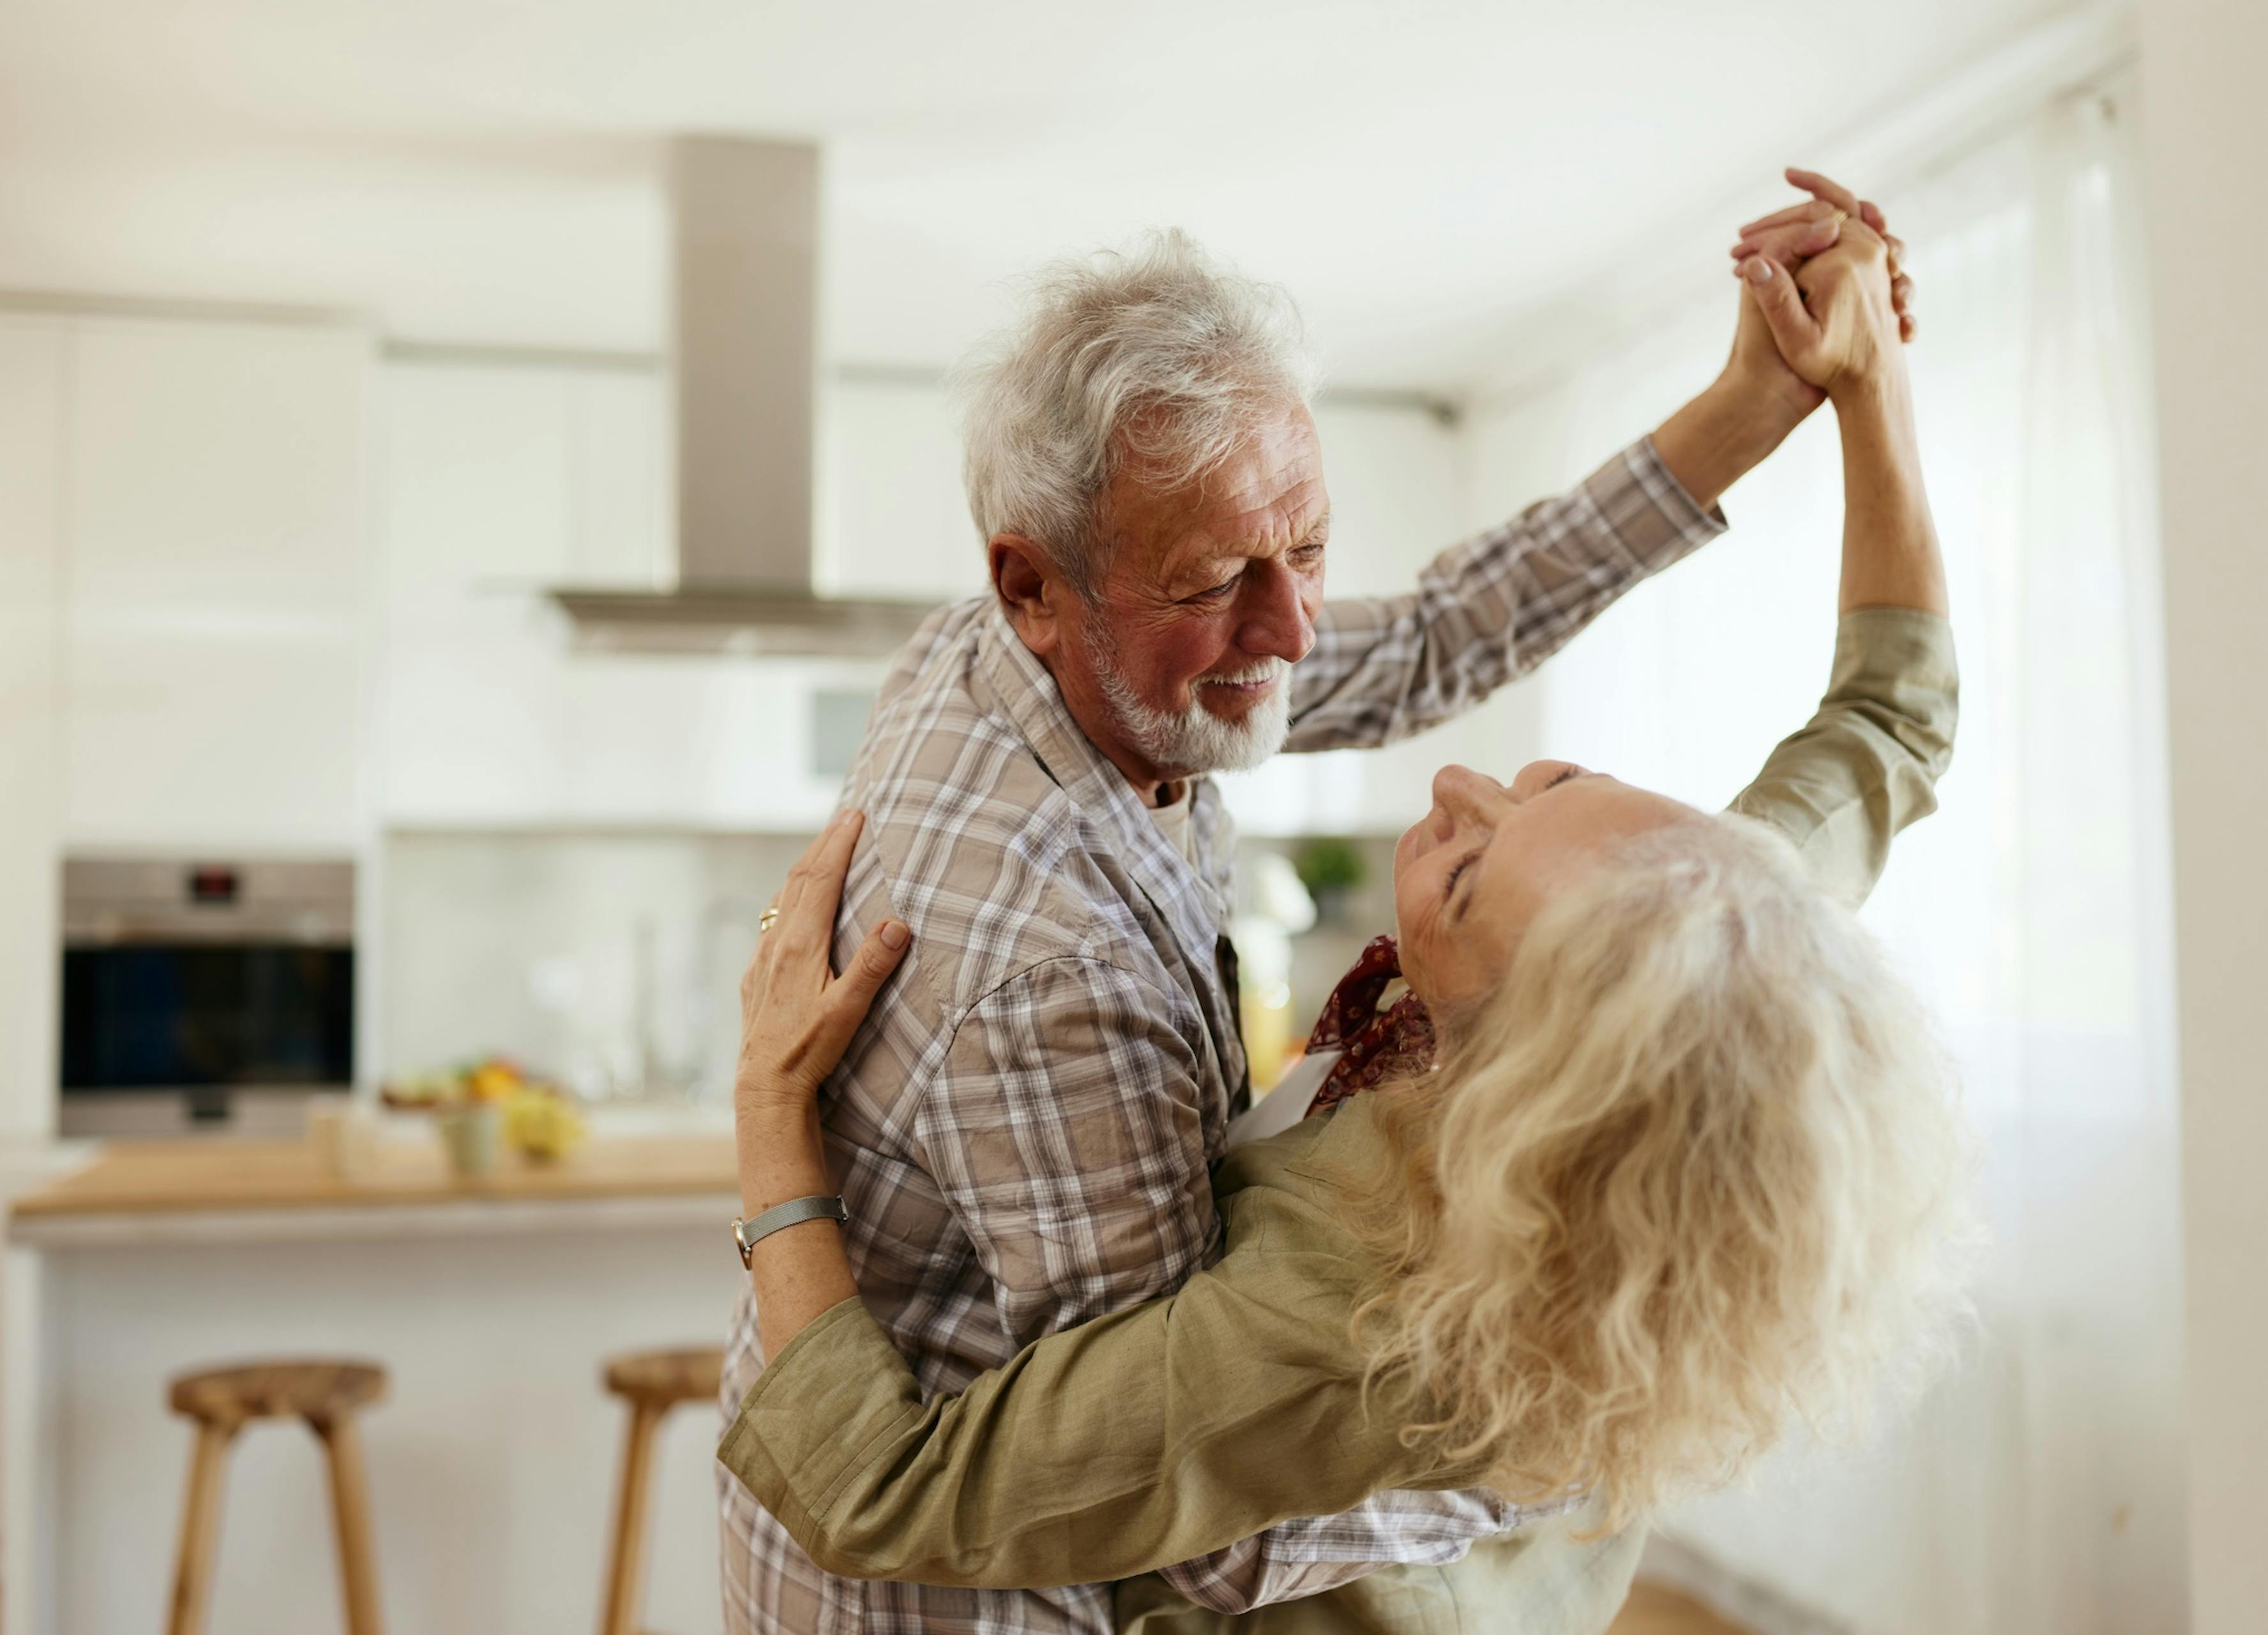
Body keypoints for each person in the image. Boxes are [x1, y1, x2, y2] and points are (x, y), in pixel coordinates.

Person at [716, 211, 1970, 1632]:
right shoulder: (1682, 943)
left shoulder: (1669, 972)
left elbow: (1157, 1533)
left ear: (1511, 1039)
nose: (1299, 634)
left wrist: (1554, 1444)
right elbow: (1886, 719)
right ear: (1031, 589)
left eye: (1311, 548)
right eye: (1217, 580)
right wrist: (1835, 391)